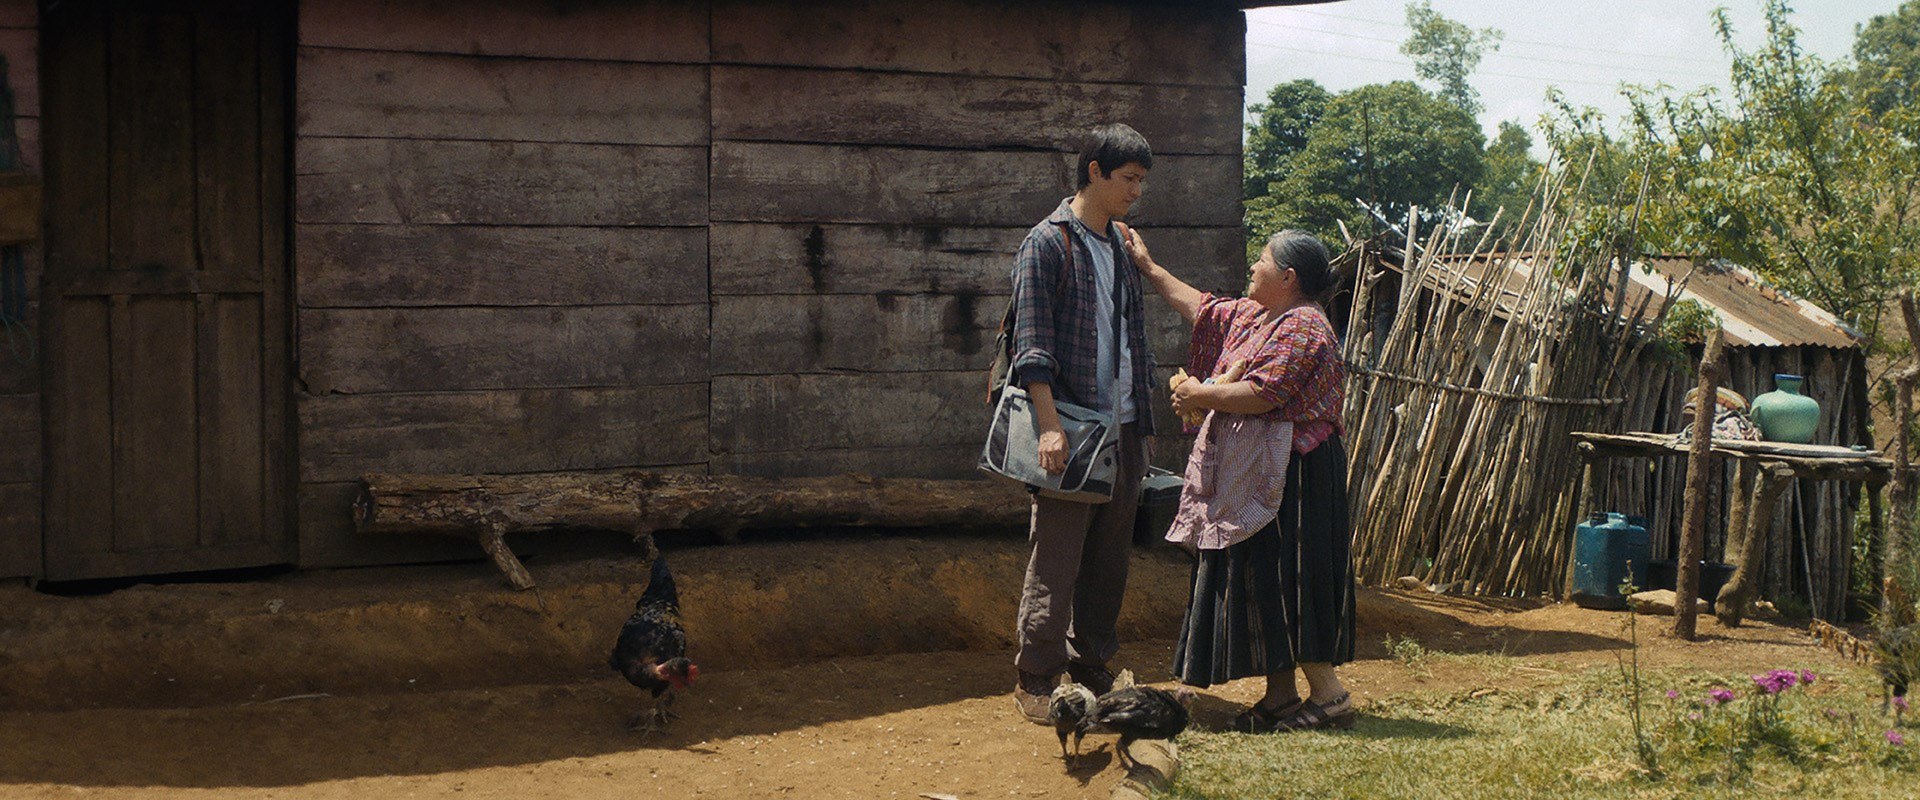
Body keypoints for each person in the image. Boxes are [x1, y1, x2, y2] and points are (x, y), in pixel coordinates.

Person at [1124, 226, 1357, 732]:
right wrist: (1147, 265)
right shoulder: (1259, 316)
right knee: (1259, 576)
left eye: (1263, 260)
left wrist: (1198, 394)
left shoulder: (1304, 328)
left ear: (1288, 277)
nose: (1253, 267)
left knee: (1293, 576)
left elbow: (1263, 393)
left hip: (1298, 475)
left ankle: (1330, 695)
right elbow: (1203, 309)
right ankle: (1281, 696)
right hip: (1260, 474)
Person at [1007, 123, 1158, 723]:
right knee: (1059, 552)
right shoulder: (1045, 243)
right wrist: (1049, 425)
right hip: (1071, 425)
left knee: (1109, 554)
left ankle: (1090, 659)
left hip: (1122, 426)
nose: (1137, 191)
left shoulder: (1121, 244)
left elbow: (1133, 340)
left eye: (1142, 181)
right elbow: (1032, 343)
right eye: (1129, 179)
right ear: (1094, 171)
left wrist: (1142, 418)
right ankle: (1036, 674)